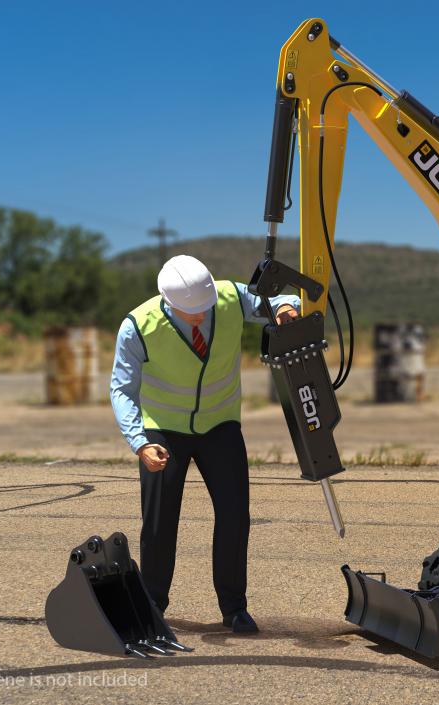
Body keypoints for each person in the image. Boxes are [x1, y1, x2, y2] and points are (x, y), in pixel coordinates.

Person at [109, 254, 299, 633]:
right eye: (188, 311)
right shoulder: (138, 326)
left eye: (204, 308)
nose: (199, 316)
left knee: (234, 517)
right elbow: (122, 388)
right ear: (167, 300)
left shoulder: (227, 296)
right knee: (160, 523)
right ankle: (152, 605)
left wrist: (285, 310)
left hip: (220, 425)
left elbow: (276, 299)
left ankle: (234, 608)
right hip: (164, 431)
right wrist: (140, 442)